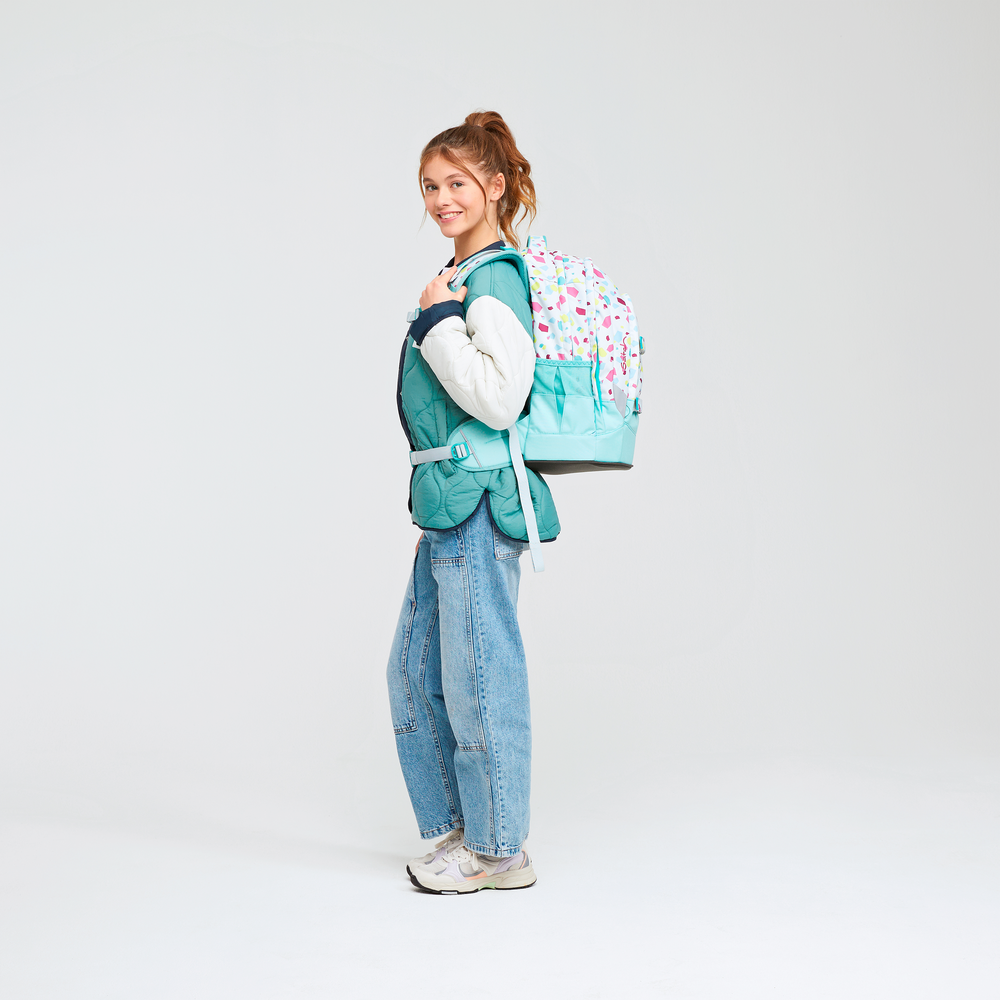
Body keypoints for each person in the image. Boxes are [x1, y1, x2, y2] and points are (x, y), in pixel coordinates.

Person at [386, 111, 560, 894]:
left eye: (456, 183)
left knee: (480, 674)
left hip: (479, 502)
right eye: (430, 186)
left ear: (494, 186)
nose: (440, 199)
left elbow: (499, 397)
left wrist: (435, 323)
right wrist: (440, 313)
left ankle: (498, 851)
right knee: (415, 672)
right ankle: (466, 830)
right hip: (448, 505)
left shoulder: (492, 277)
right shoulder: (462, 274)